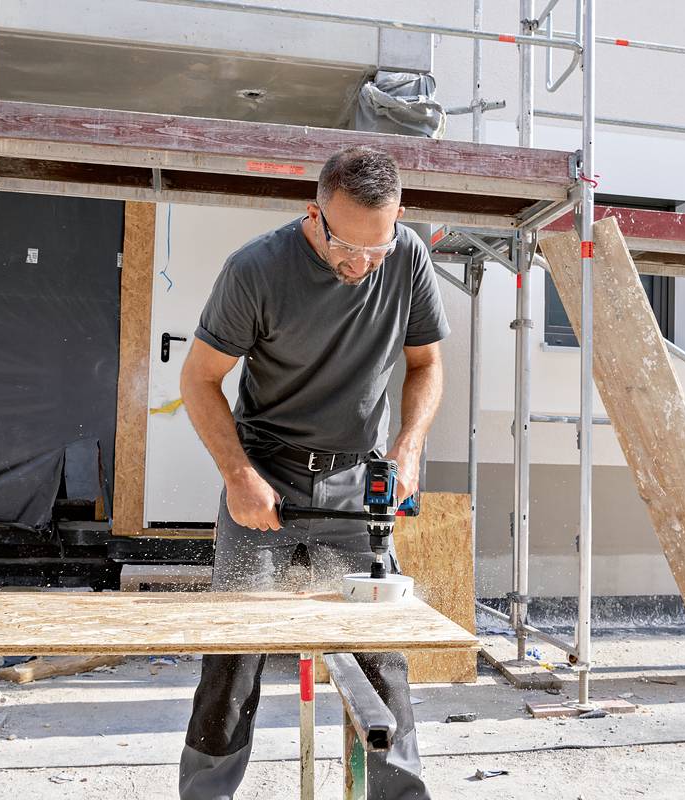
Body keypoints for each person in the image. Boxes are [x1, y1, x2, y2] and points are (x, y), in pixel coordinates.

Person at [177, 145, 449, 799]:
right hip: (265, 475)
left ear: (399, 219)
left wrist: (409, 445)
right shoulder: (257, 270)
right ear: (314, 213)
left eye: (374, 249)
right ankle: (206, 792)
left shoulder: (407, 256)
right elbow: (199, 380)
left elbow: (426, 365)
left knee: (379, 650)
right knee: (238, 647)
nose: (360, 264)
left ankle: (399, 792)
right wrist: (238, 475)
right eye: (344, 247)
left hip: (357, 482)